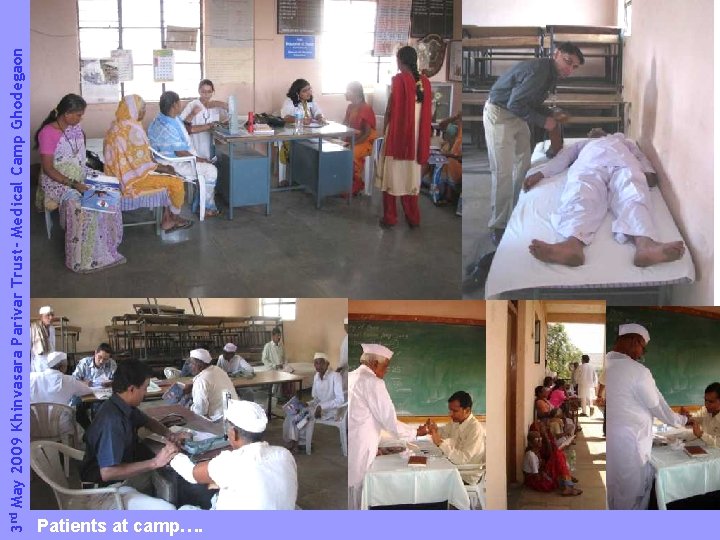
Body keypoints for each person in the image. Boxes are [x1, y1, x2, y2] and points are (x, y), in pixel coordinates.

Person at [523, 129, 686, 267]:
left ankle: (646, 246)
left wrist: (649, 171)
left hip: (624, 165)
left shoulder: (621, 140)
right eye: (592, 131)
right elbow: (563, 159)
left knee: (633, 194)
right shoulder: (582, 144)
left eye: (597, 130)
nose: (595, 131)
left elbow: (640, 156)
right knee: (581, 195)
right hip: (589, 167)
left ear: (605, 132)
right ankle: (572, 245)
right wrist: (541, 173)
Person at [484, 42, 584, 246]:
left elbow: (529, 102)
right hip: (501, 114)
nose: (569, 69)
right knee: (502, 172)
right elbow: (515, 103)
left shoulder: (551, 74)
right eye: (567, 61)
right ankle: (498, 225)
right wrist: (543, 120)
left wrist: (550, 113)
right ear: (555, 54)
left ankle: (516, 208)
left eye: (574, 67)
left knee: (523, 162)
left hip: (516, 114)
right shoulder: (540, 71)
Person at [35, 93, 125, 272]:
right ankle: (81, 258)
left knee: (111, 194)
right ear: (67, 113)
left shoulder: (76, 129)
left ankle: (104, 247)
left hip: (80, 173)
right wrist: (74, 184)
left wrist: (86, 179)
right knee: (82, 206)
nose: (80, 118)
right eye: (78, 114)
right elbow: (48, 169)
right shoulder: (48, 133)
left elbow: (80, 161)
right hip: (57, 180)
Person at [79, 359, 185, 509]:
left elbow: (148, 421)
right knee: (167, 506)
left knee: (166, 479)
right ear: (131, 389)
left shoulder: (120, 404)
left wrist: (169, 434)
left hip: (116, 479)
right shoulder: (113, 421)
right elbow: (108, 472)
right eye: (145, 388)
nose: (146, 393)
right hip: (103, 492)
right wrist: (155, 462)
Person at [605, 323, 689, 510]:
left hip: (612, 444)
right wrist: (682, 420)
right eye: (643, 347)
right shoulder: (638, 372)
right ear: (635, 341)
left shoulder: (607, 364)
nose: (642, 354)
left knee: (612, 494)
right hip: (631, 447)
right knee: (631, 497)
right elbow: (658, 407)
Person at [170, 399, 298, 509]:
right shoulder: (285, 454)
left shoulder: (230, 462)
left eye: (227, 427)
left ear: (234, 432)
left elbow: (191, 473)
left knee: (185, 509)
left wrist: (175, 453)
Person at [103, 94, 192, 233]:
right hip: (132, 179)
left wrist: (160, 167)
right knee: (176, 182)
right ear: (133, 110)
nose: (144, 112)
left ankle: (167, 217)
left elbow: (139, 160)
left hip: (115, 176)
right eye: (142, 109)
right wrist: (163, 168)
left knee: (168, 176)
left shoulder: (115, 127)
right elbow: (141, 165)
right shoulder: (132, 131)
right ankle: (174, 218)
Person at [347, 343, 418, 510]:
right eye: (386, 366)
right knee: (358, 492)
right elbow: (389, 421)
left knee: (350, 488)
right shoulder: (373, 382)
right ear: (374, 364)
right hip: (361, 447)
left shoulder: (350, 376)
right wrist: (416, 432)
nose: (386, 371)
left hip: (352, 442)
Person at [376, 45, 432, 229]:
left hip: (398, 140)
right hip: (416, 142)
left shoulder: (399, 80)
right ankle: (413, 218)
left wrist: (385, 133)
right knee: (410, 179)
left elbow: (391, 110)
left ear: (400, 61)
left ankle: (390, 218)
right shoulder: (425, 82)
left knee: (391, 178)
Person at [148, 90, 220, 217]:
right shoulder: (168, 125)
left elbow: (187, 129)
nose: (180, 104)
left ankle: (201, 201)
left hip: (162, 158)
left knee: (205, 166)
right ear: (175, 105)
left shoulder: (161, 119)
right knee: (211, 170)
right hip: (172, 163)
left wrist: (207, 125)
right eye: (179, 102)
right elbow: (180, 152)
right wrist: (200, 160)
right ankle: (206, 207)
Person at [283, 352, 344, 454]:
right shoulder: (316, 376)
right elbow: (316, 399)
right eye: (316, 363)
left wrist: (321, 406)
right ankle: (297, 442)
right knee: (292, 413)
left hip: (331, 411)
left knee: (301, 415)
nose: (318, 366)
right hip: (317, 409)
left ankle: (298, 444)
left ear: (327, 364)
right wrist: (307, 403)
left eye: (321, 363)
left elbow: (340, 400)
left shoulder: (335, 376)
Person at [418, 391, 485, 484]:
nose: (451, 414)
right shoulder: (456, 421)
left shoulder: (475, 429)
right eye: (450, 410)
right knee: (424, 471)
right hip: (454, 468)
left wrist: (440, 443)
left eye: (455, 411)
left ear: (467, 410)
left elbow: (462, 460)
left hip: (466, 475)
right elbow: (445, 432)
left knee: (428, 479)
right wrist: (433, 429)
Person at [30, 351, 94, 439]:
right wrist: (85, 383)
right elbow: (88, 391)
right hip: (60, 426)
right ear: (62, 366)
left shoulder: (31, 377)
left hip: (34, 426)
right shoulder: (69, 380)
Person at [342, 81, 377, 196]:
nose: (345, 93)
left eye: (348, 91)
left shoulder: (365, 108)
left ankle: (356, 185)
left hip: (364, 142)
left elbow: (366, 134)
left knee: (350, 153)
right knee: (336, 150)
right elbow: (344, 125)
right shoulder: (350, 107)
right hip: (352, 139)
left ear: (356, 93)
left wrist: (353, 144)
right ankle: (342, 183)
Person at [523, 429, 581, 496]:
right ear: (530, 443)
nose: (540, 441)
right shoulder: (531, 455)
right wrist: (549, 475)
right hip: (535, 481)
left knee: (559, 455)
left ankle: (568, 483)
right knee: (559, 461)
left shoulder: (536, 451)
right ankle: (568, 482)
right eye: (537, 440)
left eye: (540, 439)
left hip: (539, 475)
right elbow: (536, 476)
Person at [179, 79, 227, 160]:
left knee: (212, 161)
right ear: (199, 91)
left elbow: (229, 114)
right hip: (197, 142)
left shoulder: (215, 105)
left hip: (211, 142)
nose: (206, 95)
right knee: (200, 162)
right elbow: (181, 124)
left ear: (213, 92)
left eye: (209, 92)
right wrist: (192, 114)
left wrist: (220, 104)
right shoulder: (193, 105)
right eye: (204, 92)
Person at [187, 348, 238, 421]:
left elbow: (200, 411)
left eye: (191, 363)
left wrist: (189, 408)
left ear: (200, 365)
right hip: (235, 413)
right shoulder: (218, 370)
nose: (189, 366)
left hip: (220, 419)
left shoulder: (201, 380)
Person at [686, 382, 720, 448]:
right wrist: (686, 418)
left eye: (711, 402)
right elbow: (695, 418)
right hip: (706, 448)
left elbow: (718, 443)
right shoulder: (706, 410)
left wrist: (701, 434)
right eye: (705, 400)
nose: (706, 405)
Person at [31, 305, 56, 372]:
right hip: (39, 362)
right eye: (48, 315)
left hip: (51, 360)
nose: (50, 317)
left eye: (52, 315)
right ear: (41, 317)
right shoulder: (33, 329)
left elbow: (53, 345)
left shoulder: (52, 329)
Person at [338, 318, 348, 392]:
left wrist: (338, 368)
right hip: (344, 370)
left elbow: (344, 360)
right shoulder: (346, 338)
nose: (345, 328)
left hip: (346, 370)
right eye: (345, 326)